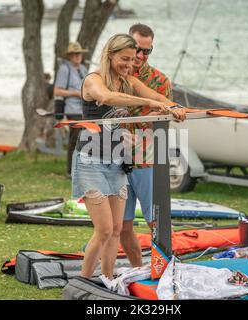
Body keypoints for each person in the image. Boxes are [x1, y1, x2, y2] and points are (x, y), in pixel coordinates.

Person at [74, 33, 185, 280]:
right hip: (91, 162)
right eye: (124, 59)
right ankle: (82, 281)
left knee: (115, 229)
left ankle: (108, 278)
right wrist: (149, 102)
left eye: (132, 59)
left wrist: (172, 106)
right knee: (103, 230)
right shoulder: (94, 80)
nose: (128, 64)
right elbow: (107, 98)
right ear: (109, 55)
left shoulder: (128, 81)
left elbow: (157, 96)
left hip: (117, 162)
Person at [119, 24, 176, 268]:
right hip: (115, 161)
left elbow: (161, 128)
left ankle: (164, 272)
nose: (141, 56)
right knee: (121, 226)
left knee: (157, 222)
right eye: (137, 50)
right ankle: (137, 270)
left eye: (147, 51)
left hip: (147, 160)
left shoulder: (159, 81)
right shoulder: (113, 76)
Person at [54, 42, 88, 176]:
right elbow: (57, 91)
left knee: (86, 138)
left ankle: (81, 169)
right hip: (72, 109)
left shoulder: (84, 68)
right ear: (69, 56)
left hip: (85, 109)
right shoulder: (64, 69)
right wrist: (75, 93)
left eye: (79, 53)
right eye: (75, 54)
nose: (78, 56)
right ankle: (71, 171)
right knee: (76, 138)